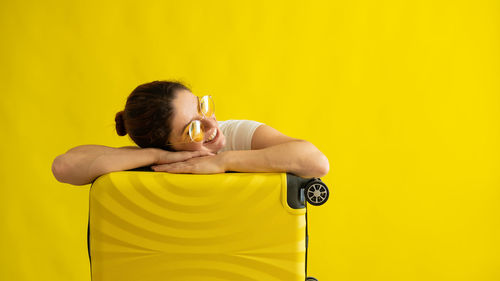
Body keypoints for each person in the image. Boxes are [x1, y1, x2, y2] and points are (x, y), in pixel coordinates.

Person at [51, 80, 329, 186]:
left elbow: (315, 162)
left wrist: (223, 161)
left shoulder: (236, 135)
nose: (210, 125)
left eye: (202, 107)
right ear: (168, 145)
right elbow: (64, 166)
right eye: (192, 129)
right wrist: (155, 156)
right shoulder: (163, 159)